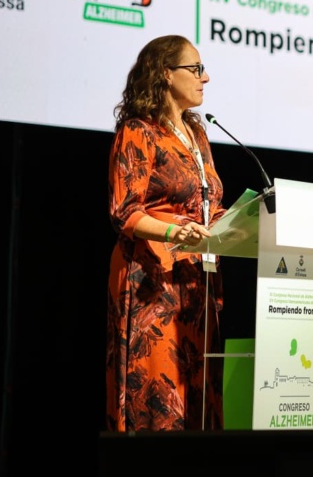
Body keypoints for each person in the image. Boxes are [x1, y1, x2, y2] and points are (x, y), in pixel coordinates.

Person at [106, 35, 227, 431]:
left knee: (199, 403)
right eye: (195, 69)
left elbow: (209, 206)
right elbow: (126, 212)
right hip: (153, 284)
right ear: (164, 73)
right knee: (160, 402)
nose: (205, 77)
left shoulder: (198, 134)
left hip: (198, 283)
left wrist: (241, 223)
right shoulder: (139, 131)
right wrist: (176, 231)